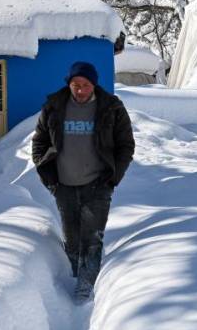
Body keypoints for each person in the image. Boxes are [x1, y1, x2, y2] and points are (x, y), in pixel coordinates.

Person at [32, 61, 135, 300]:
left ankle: (86, 286)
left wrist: (113, 177)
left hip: (98, 184)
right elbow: (40, 142)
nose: (80, 90)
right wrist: (48, 177)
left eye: (85, 85)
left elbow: (125, 145)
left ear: (94, 84)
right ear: (69, 84)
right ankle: (73, 276)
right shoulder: (54, 106)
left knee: (92, 237)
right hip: (64, 185)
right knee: (72, 237)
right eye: (75, 85)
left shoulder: (111, 107)